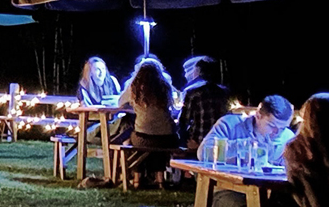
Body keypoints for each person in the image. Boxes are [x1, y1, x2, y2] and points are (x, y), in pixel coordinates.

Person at [110, 57, 178, 189]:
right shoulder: (165, 87)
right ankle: (160, 180)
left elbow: (120, 103)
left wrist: (135, 106)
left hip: (144, 138)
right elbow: (172, 106)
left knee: (132, 140)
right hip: (168, 139)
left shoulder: (135, 88)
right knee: (159, 144)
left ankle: (136, 178)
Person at [67, 56, 123, 169]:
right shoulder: (84, 86)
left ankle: (124, 172)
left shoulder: (112, 81)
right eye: (97, 69)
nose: (101, 72)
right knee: (123, 128)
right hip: (92, 126)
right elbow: (85, 108)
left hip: (113, 120)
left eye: (103, 68)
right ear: (90, 72)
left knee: (126, 126)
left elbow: (121, 101)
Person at [178, 55, 230, 151]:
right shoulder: (223, 92)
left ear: (198, 71)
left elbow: (183, 121)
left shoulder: (192, 92)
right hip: (220, 143)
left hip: (198, 142)